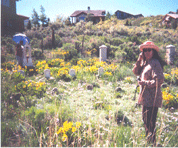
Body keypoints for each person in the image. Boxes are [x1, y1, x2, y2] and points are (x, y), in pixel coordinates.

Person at [132, 41, 165, 145]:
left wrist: (144, 83)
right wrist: (139, 59)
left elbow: (159, 80)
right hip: (145, 98)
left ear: (153, 51)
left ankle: (152, 144)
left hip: (152, 98)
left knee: (150, 124)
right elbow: (136, 71)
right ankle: (149, 143)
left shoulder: (155, 63)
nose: (147, 52)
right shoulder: (146, 63)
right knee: (146, 122)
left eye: (149, 50)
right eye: (145, 50)